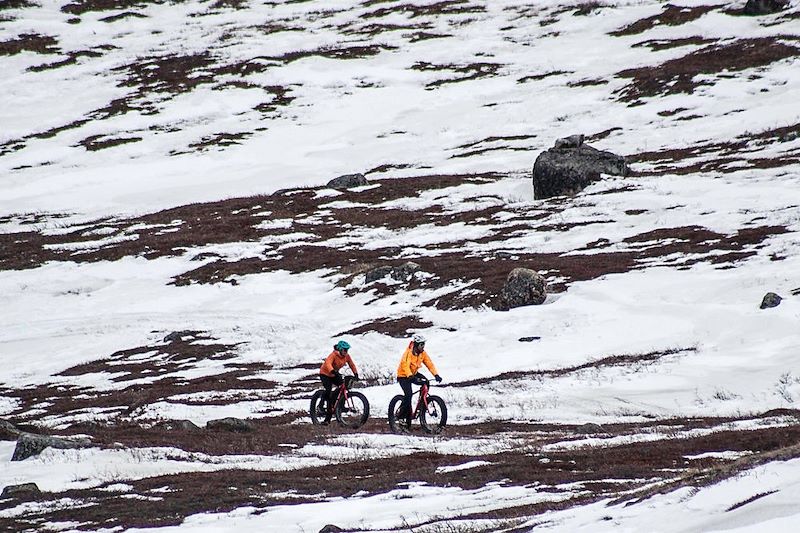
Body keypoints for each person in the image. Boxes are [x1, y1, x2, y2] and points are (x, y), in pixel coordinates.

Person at [396, 334, 442, 428]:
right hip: (403, 375)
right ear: (417, 345)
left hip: (413, 373)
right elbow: (405, 365)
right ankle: (401, 416)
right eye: (422, 345)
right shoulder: (408, 353)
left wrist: (436, 375)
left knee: (426, 382)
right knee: (408, 394)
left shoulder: (422, 353)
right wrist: (409, 376)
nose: (423, 347)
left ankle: (422, 405)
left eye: (424, 345)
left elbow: (429, 364)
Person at [319, 340, 359, 422]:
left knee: (343, 387)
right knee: (328, 390)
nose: (346, 352)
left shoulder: (347, 356)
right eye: (344, 350)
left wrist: (355, 374)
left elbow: (351, 364)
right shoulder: (333, 355)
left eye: (347, 350)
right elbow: (327, 363)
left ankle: (340, 404)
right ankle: (321, 405)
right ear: (340, 349)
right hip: (325, 374)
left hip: (334, 374)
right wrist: (332, 371)